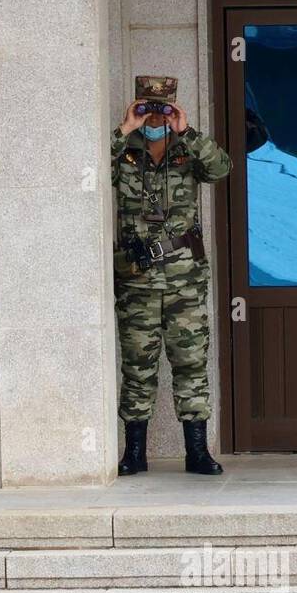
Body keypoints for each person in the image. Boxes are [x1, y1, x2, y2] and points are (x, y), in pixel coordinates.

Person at [112, 96, 232, 476]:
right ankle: (134, 453)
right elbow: (85, 171)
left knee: (191, 364)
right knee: (137, 367)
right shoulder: (123, 152)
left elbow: (221, 169)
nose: (154, 118)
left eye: (161, 110)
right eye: (147, 110)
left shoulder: (188, 149)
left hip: (185, 281)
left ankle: (197, 452)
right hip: (138, 280)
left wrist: (186, 129)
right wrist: (124, 129)